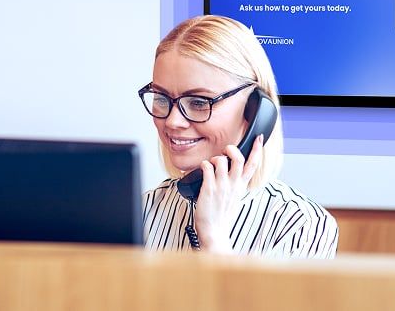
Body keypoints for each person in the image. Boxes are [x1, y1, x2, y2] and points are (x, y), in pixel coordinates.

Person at [139, 15, 338, 257]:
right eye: (161, 98)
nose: (172, 121)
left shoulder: (301, 226)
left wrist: (213, 237)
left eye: (199, 102)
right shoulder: (142, 211)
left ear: (256, 112)